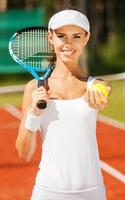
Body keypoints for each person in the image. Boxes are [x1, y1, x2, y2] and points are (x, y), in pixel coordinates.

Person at [16, 7, 111, 200]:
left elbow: (104, 90)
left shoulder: (95, 86)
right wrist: (33, 115)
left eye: (76, 36)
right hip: (48, 193)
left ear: (86, 38)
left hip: (93, 193)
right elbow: (24, 154)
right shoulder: (33, 88)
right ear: (50, 38)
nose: (69, 43)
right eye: (61, 36)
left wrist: (102, 94)